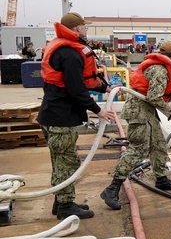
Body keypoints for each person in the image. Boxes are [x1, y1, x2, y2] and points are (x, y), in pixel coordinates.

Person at [38, 12, 115, 220]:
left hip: (51, 115)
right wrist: (97, 110)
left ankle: (60, 201)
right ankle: (65, 206)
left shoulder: (61, 48)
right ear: (78, 28)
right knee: (68, 162)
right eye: (84, 27)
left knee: (60, 161)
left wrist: (106, 88)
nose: (86, 30)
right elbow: (76, 88)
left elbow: (84, 80)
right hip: (61, 118)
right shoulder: (70, 53)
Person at [100, 41, 171, 210]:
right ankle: (112, 188)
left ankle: (161, 179)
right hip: (139, 112)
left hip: (147, 111)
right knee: (138, 149)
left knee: (158, 144)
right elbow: (154, 97)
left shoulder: (160, 67)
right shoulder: (160, 70)